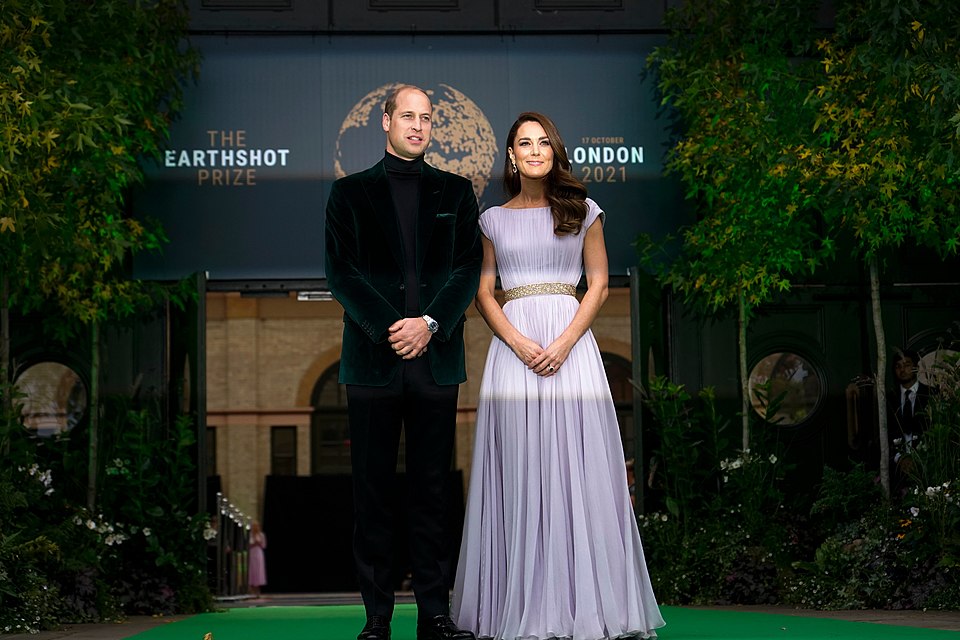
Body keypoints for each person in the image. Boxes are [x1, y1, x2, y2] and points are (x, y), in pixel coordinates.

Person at [451, 112, 665, 639]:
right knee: (522, 471)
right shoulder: (491, 220)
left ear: (555, 151)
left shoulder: (583, 210)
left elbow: (597, 284)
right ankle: (517, 605)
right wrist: (520, 342)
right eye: (525, 143)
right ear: (511, 156)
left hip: (573, 351)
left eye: (544, 142)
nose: (536, 150)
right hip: (513, 353)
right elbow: (483, 292)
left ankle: (586, 605)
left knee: (578, 469)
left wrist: (565, 343)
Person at [324, 84, 483, 640]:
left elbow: (466, 270)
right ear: (385, 121)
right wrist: (396, 328)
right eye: (407, 115)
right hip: (372, 363)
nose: (418, 125)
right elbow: (342, 274)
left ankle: (436, 616)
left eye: (427, 117)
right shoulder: (348, 194)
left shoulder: (458, 192)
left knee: (432, 494)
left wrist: (429, 324)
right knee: (372, 495)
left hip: (435, 363)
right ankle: (376, 619)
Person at [889, 348, 931, 492]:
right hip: (897, 467)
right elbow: (886, 433)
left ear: (916, 367)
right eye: (898, 366)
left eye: (907, 364)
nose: (902, 370)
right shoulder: (889, 399)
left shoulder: (931, 394)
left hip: (927, 463)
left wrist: (918, 457)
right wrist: (900, 458)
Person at [248, 520, 267, 598]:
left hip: (258, 553)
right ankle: (251, 589)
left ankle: (257, 590)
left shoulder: (261, 535)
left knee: (258, 570)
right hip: (252, 553)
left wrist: (258, 542)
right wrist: (253, 543)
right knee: (252, 569)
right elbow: (247, 545)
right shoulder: (250, 535)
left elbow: (264, 545)